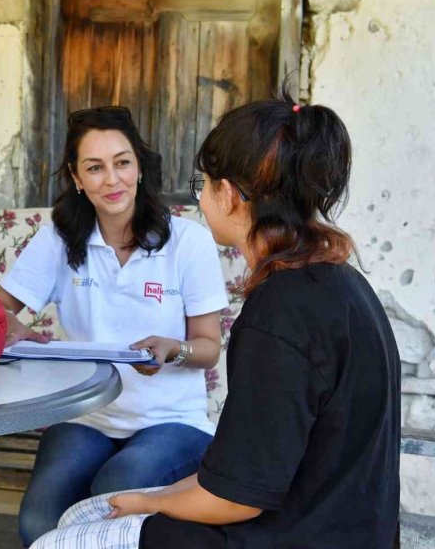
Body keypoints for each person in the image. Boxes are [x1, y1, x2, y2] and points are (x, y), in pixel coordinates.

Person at [30, 94, 402, 549]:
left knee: (59, 541)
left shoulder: (280, 314)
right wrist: (150, 499)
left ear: (227, 194)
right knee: (80, 514)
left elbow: (236, 500)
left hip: (290, 534)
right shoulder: (340, 284)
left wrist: (152, 504)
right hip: (333, 522)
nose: (200, 199)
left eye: (201, 185)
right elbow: (249, 471)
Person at [0, 106, 229, 547]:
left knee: (115, 489)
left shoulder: (186, 240)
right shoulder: (59, 238)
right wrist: (21, 334)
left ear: (139, 166)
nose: (112, 179)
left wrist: (173, 350)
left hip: (172, 420)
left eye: (122, 163)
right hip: (87, 415)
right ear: (76, 178)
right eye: (94, 168)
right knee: (39, 520)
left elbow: (208, 347)